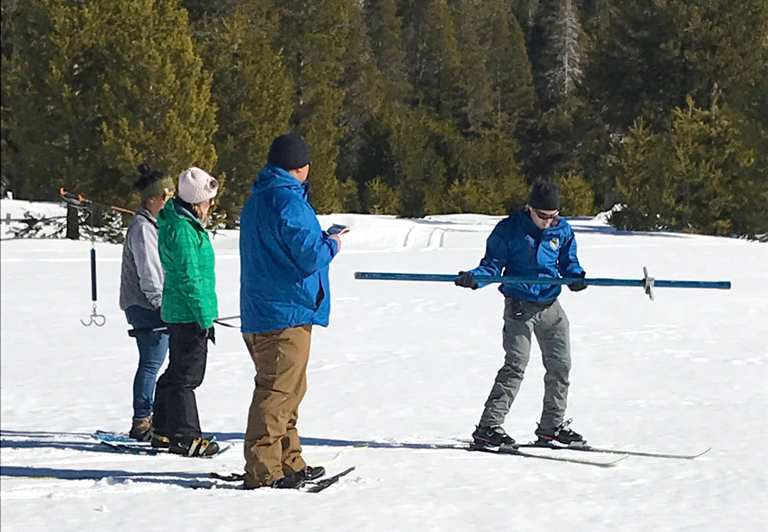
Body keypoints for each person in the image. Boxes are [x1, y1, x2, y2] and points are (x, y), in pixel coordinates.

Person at [239, 133, 343, 489]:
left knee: (289, 391)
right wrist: (332, 243)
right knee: (277, 393)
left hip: (266, 311)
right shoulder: (288, 201)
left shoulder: (259, 199)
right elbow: (310, 255)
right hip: (285, 314)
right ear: (302, 166)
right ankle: (264, 470)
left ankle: (289, 460)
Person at [455, 180, 589, 448]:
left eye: (554, 217)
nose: (549, 222)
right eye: (543, 217)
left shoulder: (561, 229)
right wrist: (475, 279)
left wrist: (575, 277)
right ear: (530, 209)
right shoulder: (509, 230)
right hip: (520, 305)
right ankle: (488, 427)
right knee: (516, 365)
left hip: (551, 305)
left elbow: (568, 261)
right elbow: (492, 265)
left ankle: (551, 426)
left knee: (560, 366)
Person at [154, 167, 220, 457]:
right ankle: (186, 437)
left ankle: (163, 429)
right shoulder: (182, 229)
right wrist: (204, 318)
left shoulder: (184, 223)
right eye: (209, 200)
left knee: (177, 372)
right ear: (196, 201)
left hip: (183, 310)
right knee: (187, 378)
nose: (212, 205)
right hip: (188, 312)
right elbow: (189, 277)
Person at [119, 164, 174, 441]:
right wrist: (162, 306)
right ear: (152, 198)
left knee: (160, 362)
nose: (170, 202)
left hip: (157, 302)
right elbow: (150, 273)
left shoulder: (155, 224)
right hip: (144, 304)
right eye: (166, 197)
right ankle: (142, 420)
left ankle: (157, 416)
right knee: (151, 362)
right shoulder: (143, 228)